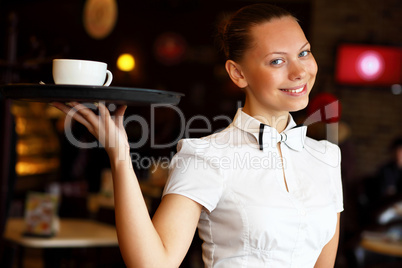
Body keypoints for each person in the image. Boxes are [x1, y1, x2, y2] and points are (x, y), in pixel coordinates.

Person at [52, 3, 343, 267]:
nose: (300, 71)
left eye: (304, 53)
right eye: (277, 61)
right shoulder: (206, 157)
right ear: (237, 73)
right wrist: (120, 155)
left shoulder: (327, 158)